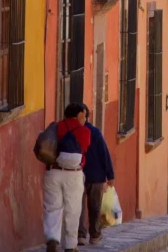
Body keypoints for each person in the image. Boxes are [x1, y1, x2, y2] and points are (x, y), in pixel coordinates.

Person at [44, 103, 91, 252]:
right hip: (73, 174)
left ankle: (52, 239)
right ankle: (70, 245)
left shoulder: (55, 127)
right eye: (84, 115)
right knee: (73, 210)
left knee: (52, 207)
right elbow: (84, 147)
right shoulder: (84, 131)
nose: (85, 118)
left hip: (53, 172)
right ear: (77, 115)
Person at [78, 105, 115, 247]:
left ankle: (80, 235)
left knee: (79, 207)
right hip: (96, 176)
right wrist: (110, 175)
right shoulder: (95, 132)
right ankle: (94, 235)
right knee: (95, 207)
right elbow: (104, 154)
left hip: (78, 174)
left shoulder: (74, 132)